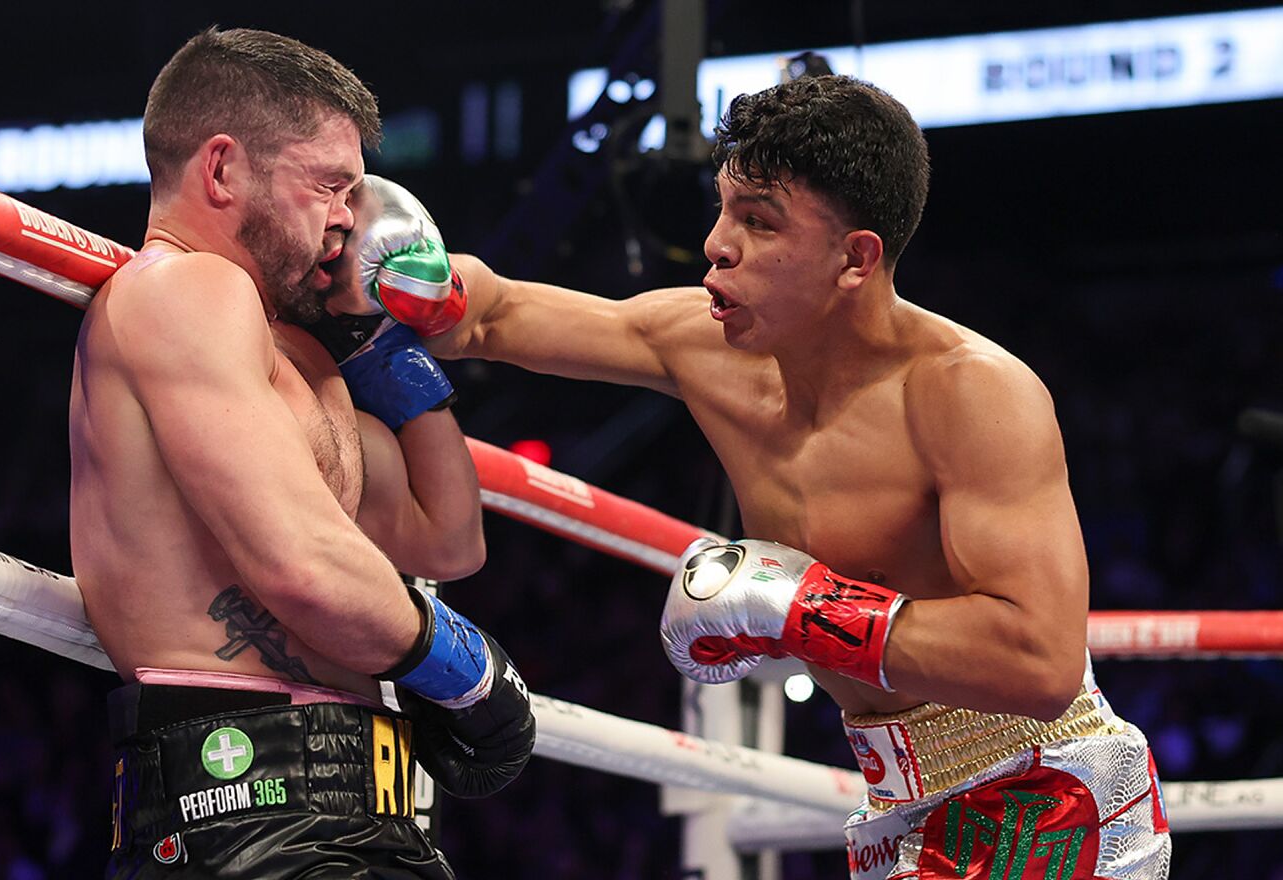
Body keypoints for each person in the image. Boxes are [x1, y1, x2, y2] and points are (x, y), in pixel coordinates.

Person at [419, 75, 1170, 878]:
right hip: (899, 802)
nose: (716, 242)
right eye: (723, 207)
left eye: (758, 221)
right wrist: (407, 269)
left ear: (855, 259)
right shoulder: (704, 346)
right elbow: (496, 315)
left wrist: (805, 609)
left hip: (1045, 795)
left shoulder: (969, 393)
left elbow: (1041, 663)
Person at [70, 27, 533, 879]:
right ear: (221, 170)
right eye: (328, 186)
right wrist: (463, 670)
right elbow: (304, 568)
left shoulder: (301, 358)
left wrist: (384, 348)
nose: (349, 219)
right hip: (237, 806)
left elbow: (447, 535)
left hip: (363, 811)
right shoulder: (182, 288)